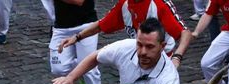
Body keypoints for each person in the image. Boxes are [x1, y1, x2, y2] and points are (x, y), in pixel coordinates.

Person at [58, 0, 193, 68]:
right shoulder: (125, 4)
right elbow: (101, 24)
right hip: (139, 58)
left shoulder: (159, 4)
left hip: (162, 61)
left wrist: (177, 58)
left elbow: (185, 33)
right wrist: (77, 37)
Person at [49, 0, 105, 84]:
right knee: (57, 69)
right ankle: (80, 71)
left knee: (89, 70)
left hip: (86, 25)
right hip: (61, 27)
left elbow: (79, 1)